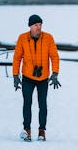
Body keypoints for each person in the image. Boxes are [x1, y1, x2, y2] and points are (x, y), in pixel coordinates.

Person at [13, 14, 60, 142]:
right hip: (28, 77)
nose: (38, 27)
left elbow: (54, 56)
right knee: (27, 104)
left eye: (40, 25)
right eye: (36, 25)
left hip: (43, 78)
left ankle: (41, 131)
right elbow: (17, 58)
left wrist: (55, 73)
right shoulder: (22, 38)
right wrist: (15, 76)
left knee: (42, 104)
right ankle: (27, 130)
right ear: (30, 26)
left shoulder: (48, 38)